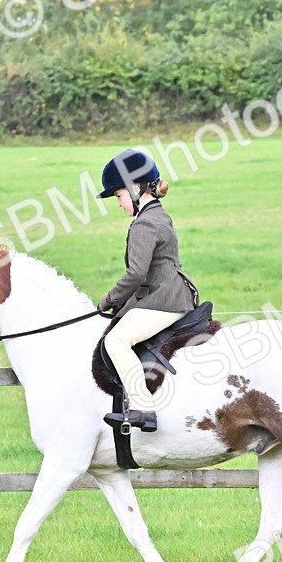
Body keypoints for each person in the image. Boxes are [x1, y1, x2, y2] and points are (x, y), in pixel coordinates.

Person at [96, 149, 199, 432]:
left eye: (118, 195)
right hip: (167, 294)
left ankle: (143, 408)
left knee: (116, 341)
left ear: (135, 189)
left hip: (164, 300)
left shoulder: (145, 222)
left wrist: (109, 299)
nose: (118, 203)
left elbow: (136, 273)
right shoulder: (157, 214)